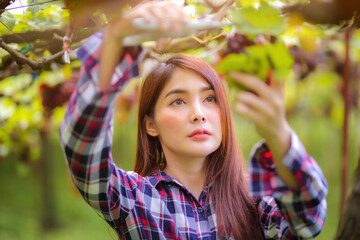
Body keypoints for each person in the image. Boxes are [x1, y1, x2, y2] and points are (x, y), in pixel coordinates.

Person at [60, 1, 328, 239]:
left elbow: (309, 222)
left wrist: (279, 133)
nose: (199, 113)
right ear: (150, 124)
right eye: (178, 101)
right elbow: (82, 150)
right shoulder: (134, 198)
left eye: (210, 99)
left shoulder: (257, 198)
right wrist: (117, 36)